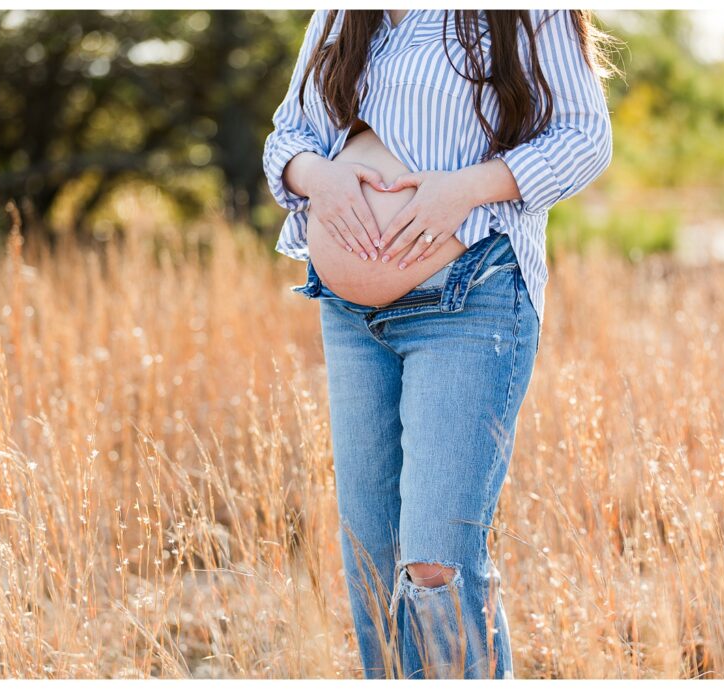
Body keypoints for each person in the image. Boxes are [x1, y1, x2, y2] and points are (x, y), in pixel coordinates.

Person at [262, 9, 615, 679]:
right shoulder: (342, 11)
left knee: (435, 560)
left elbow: (585, 136)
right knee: (373, 555)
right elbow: (289, 135)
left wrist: (466, 189)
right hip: (347, 312)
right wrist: (322, 177)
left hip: (471, 294)